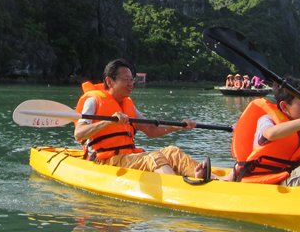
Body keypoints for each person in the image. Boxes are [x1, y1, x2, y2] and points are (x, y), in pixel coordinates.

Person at [74, 59, 212, 180]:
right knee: (154, 157)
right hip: (106, 160)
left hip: (128, 157)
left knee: (172, 152)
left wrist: (178, 126)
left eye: (132, 80)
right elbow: (79, 134)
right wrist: (109, 121)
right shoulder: (93, 101)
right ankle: (176, 186)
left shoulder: (128, 105)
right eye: (126, 80)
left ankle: (215, 179)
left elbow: (151, 130)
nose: (131, 84)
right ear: (110, 81)